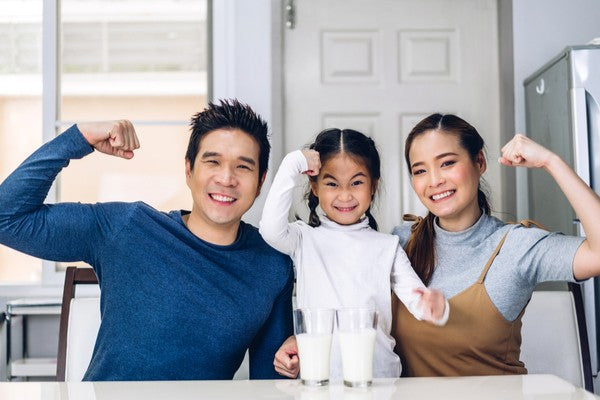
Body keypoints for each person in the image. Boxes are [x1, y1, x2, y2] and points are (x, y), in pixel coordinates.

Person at [0, 99, 294, 381]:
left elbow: (271, 382)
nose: (227, 178)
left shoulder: (272, 266)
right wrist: (79, 137)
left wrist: (294, 364)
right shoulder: (127, 228)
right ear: (189, 169)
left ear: (261, 180)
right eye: (212, 162)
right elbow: (7, 219)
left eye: (243, 167)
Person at [391, 113, 600, 376]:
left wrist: (551, 162)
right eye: (420, 170)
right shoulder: (400, 244)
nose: (434, 180)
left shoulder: (516, 247)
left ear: (479, 162)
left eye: (447, 163)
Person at [259, 128, 449, 380]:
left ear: (373, 186)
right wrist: (293, 163)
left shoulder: (387, 246)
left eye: (357, 182)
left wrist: (434, 307)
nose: (345, 195)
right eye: (331, 183)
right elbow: (270, 229)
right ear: (314, 187)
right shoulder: (304, 238)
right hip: (319, 382)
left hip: (380, 381)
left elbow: (418, 300)